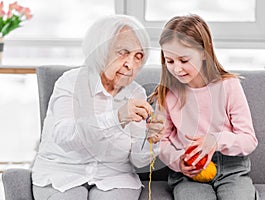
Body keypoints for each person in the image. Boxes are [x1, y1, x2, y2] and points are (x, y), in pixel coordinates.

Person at [31, 15, 165, 200]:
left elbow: (137, 160)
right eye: (123, 52)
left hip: (115, 176)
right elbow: (64, 136)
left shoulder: (137, 94)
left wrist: (152, 141)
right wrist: (117, 117)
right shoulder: (70, 82)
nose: (130, 64)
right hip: (62, 171)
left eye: (138, 56)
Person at [149, 14, 259, 199]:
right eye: (170, 61)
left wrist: (216, 140)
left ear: (203, 52)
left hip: (230, 168)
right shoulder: (167, 93)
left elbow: (249, 140)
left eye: (184, 60)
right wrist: (178, 162)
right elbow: (163, 142)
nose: (177, 69)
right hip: (188, 173)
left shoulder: (228, 86)